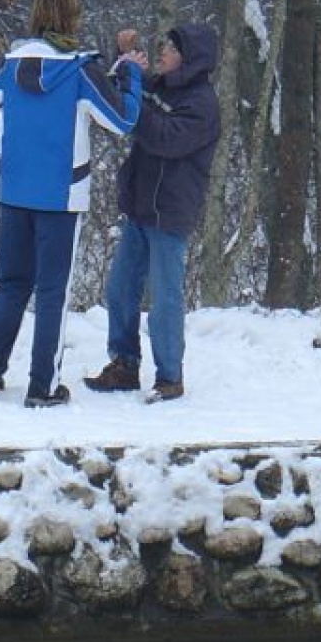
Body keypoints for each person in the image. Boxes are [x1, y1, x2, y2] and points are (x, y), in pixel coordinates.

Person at [0, 0, 144, 408]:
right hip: (61, 197)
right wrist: (130, 73)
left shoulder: (8, 65)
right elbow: (121, 120)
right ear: (73, 21)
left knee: (11, 285)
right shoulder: (81, 71)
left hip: (14, 191)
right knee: (52, 293)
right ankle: (42, 385)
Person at [86, 22, 220, 403]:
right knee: (120, 289)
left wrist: (136, 91)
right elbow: (124, 99)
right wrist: (124, 58)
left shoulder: (201, 105)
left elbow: (161, 135)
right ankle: (124, 363)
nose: (162, 53)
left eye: (170, 49)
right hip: (141, 207)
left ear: (189, 59)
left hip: (170, 212)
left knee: (164, 298)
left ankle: (169, 376)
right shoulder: (161, 86)